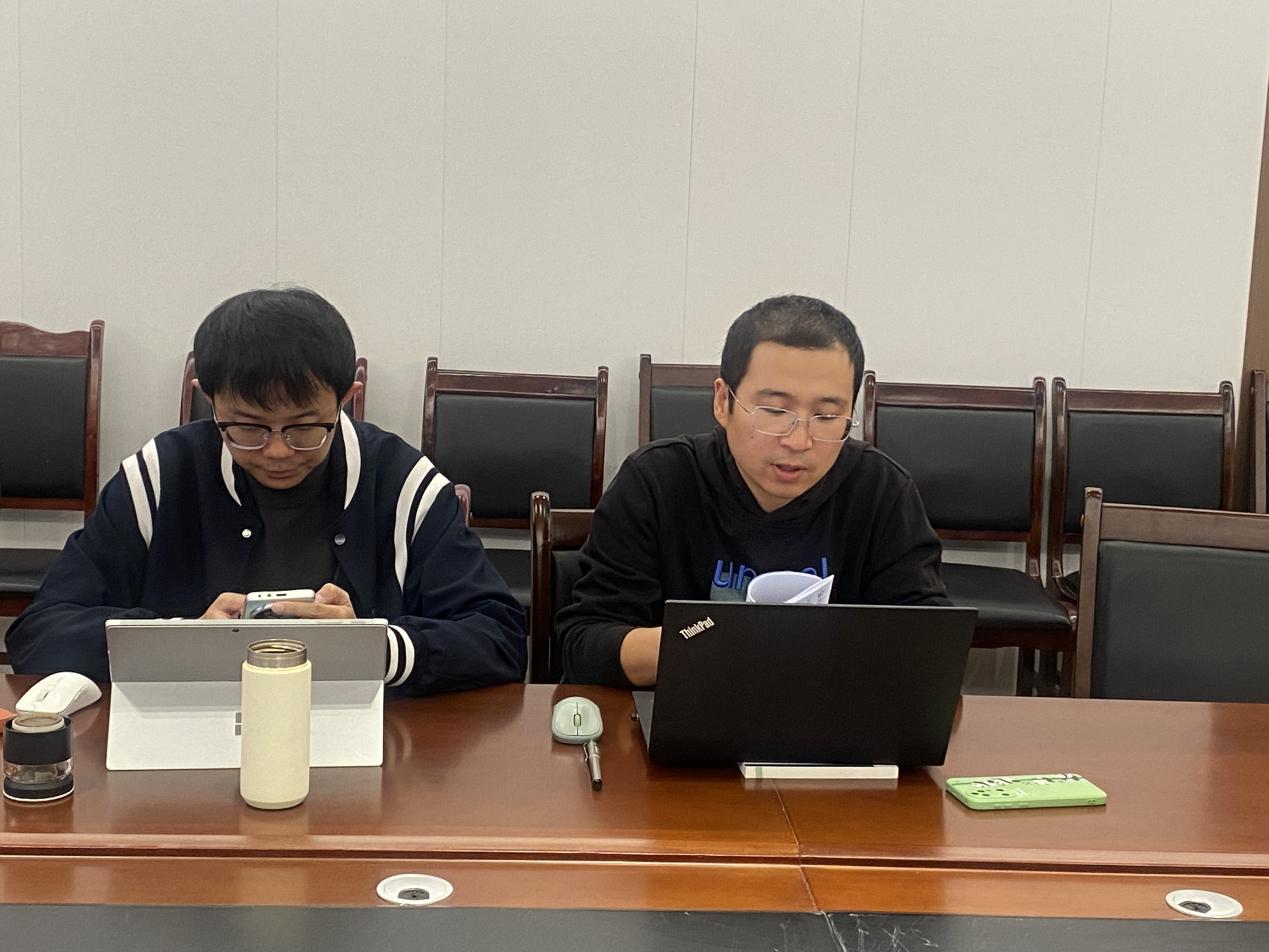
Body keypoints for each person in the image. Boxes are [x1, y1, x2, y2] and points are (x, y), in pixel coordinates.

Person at [7, 288, 526, 693]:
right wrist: (185, 638)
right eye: (247, 427)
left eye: (304, 428)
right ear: (208, 398)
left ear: (346, 397)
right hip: (185, 735)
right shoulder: (161, 476)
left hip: (373, 740)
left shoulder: (402, 483)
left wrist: (373, 648)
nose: (277, 452)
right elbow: (41, 633)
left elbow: (499, 638)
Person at [558, 294, 947, 687]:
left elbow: (932, 644)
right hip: (684, 708)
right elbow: (586, 642)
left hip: (830, 715)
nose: (799, 441)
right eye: (775, 411)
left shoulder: (881, 492)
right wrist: (716, 645)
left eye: (827, 416)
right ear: (722, 402)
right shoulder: (657, 482)